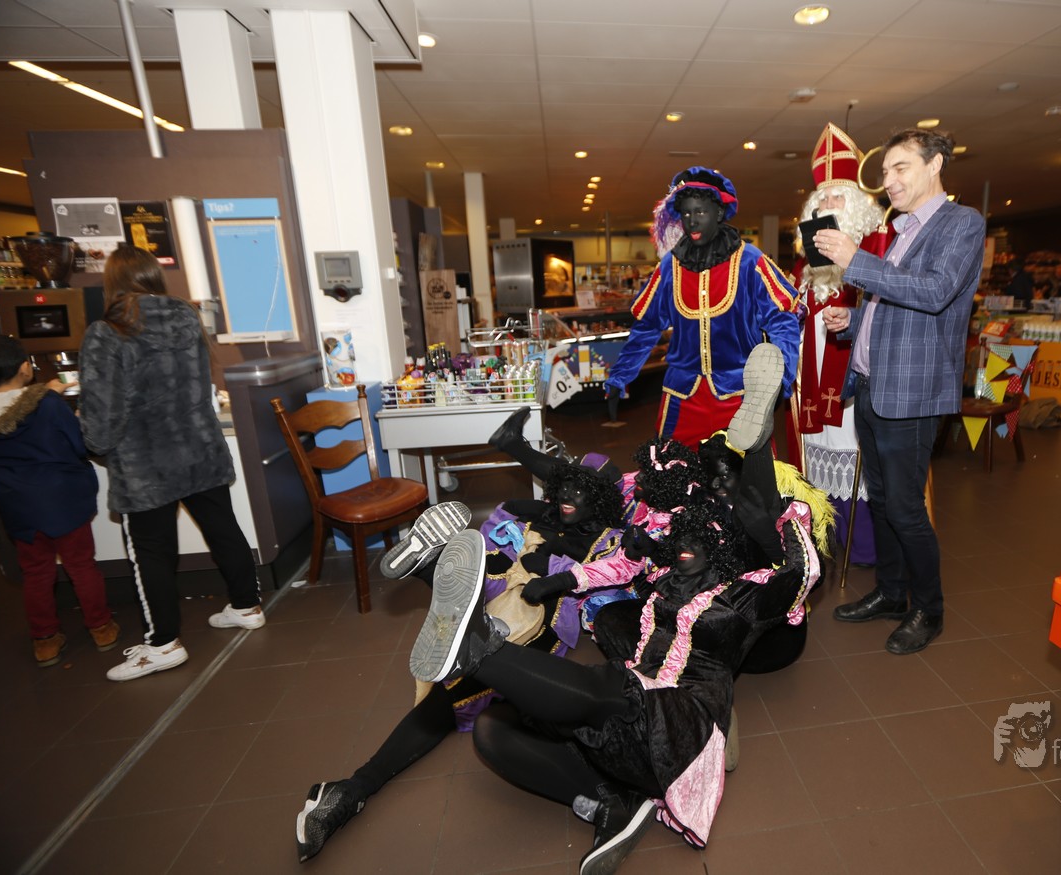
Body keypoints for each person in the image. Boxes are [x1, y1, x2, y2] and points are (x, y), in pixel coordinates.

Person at [415, 489, 818, 875]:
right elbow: (615, 566)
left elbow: (803, 572)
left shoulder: (745, 596)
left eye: (701, 536)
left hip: (683, 728)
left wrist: (787, 518)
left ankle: (473, 649)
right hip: (631, 730)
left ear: (721, 546)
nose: (686, 544)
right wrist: (563, 579)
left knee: (610, 687)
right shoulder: (665, 577)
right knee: (492, 728)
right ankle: (610, 802)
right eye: (681, 535)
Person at [295, 454, 626, 863]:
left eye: (582, 488)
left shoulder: (609, 538)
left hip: (540, 613)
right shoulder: (540, 512)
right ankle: (437, 571)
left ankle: (351, 790)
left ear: (602, 498)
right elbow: (504, 520)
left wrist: (553, 565)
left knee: (459, 686)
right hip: (496, 592)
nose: (569, 495)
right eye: (566, 484)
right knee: (466, 669)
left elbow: (613, 575)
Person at [815, 128, 986, 655]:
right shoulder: (904, 229)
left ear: (935, 165)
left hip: (911, 391)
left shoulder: (962, 223)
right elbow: (895, 303)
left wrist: (855, 261)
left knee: (907, 509)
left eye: (900, 168)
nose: (888, 181)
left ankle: (928, 610)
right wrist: (853, 321)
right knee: (883, 501)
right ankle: (891, 594)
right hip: (872, 385)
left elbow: (934, 293)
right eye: (885, 171)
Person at [79, 244, 265, 682]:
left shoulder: (107, 331)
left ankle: (163, 644)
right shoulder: (186, 317)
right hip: (200, 448)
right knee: (223, 528)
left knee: (151, 553)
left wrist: (95, 443)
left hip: (146, 463)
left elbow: (103, 413)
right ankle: (246, 606)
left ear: (112, 282)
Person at [602, 166, 801, 449]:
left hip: (740, 398)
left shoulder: (750, 261)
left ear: (719, 213)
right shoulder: (669, 267)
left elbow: (782, 321)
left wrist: (780, 379)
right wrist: (620, 376)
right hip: (682, 397)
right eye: (685, 214)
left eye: (700, 212)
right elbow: (647, 327)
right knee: (673, 469)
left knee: (744, 472)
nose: (692, 222)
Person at [788, 122, 888, 568]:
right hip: (812, 373)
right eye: (822, 200)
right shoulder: (804, 265)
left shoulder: (877, 248)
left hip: (855, 370)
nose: (828, 206)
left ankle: (864, 547)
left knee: (854, 454)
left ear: (858, 208)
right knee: (818, 455)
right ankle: (826, 538)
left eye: (837, 198)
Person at [0, 334, 119, 666]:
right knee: (81, 565)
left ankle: (45, 640)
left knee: (35, 572)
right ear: (24, 368)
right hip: (63, 500)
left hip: (17, 506)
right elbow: (79, 444)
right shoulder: (47, 404)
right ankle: (101, 628)